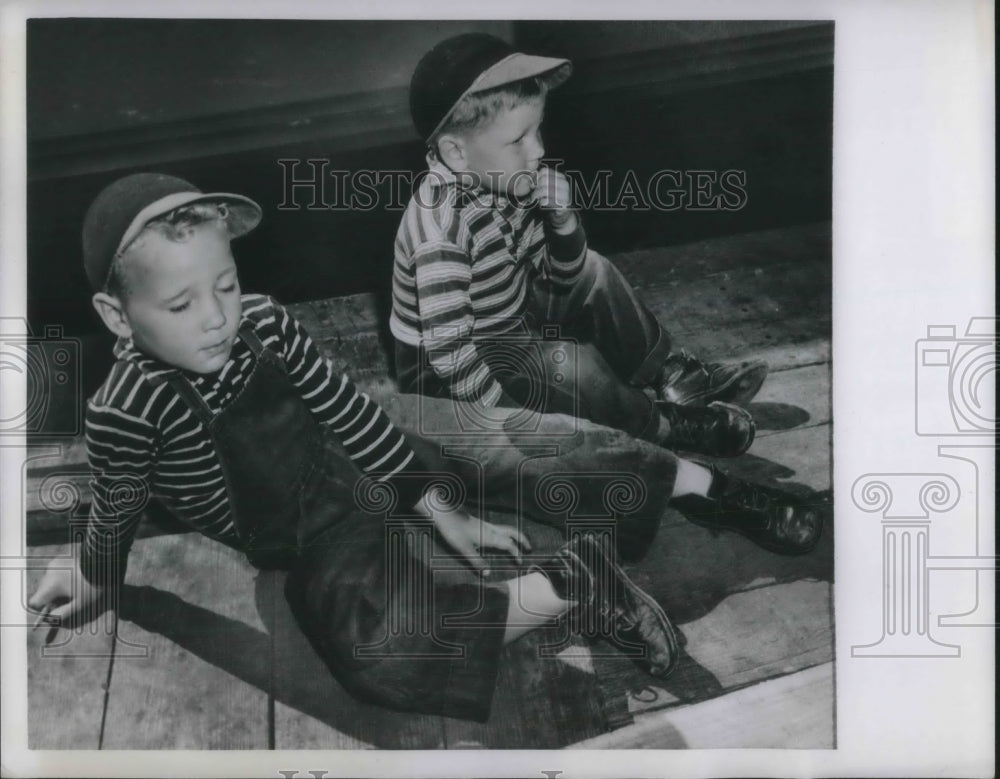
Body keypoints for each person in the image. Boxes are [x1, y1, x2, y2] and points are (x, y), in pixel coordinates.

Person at [26, 173, 682, 723]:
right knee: (383, 657)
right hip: (316, 534)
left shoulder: (265, 323)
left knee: (510, 453)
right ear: (117, 315)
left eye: (225, 283)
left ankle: (682, 468)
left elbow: (348, 410)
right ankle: (575, 583)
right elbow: (118, 503)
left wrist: (440, 506)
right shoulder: (124, 411)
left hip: (364, 454)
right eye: (180, 303)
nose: (218, 316)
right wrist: (92, 576)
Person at [391, 32, 770, 460]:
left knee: (595, 269)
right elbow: (451, 356)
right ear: (456, 153)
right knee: (571, 364)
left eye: (538, 130)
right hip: (448, 379)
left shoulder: (502, 180)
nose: (539, 150)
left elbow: (560, 276)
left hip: (504, 319)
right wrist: (516, 422)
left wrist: (563, 223)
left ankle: (675, 376)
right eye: (518, 140)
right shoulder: (440, 230)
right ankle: (662, 425)